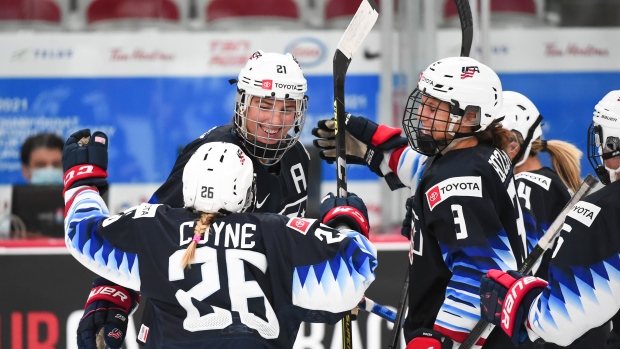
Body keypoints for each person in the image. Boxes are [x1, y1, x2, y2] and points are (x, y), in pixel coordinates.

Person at [75, 50, 312, 348]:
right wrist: (112, 294)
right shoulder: (212, 156)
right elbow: (149, 231)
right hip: (185, 326)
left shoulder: (298, 159)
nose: (276, 121)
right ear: (243, 103)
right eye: (264, 105)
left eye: (287, 108)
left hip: (258, 331)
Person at [62, 133, 377, 348]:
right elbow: (357, 268)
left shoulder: (155, 227)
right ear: (247, 190)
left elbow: (82, 231)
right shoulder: (279, 232)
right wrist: (345, 221)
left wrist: (82, 181)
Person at [314, 56, 526, 348]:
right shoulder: (478, 154)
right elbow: (427, 172)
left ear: (470, 117)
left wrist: (442, 339)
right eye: (423, 102)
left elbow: (480, 272)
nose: (423, 114)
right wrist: (373, 150)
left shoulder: (457, 181)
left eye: (434, 107)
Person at [478, 89, 620, 347]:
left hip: (559, 336)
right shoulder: (549, 185)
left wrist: (518, 299)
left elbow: (557, 317)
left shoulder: (529, 186)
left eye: (484, 143)